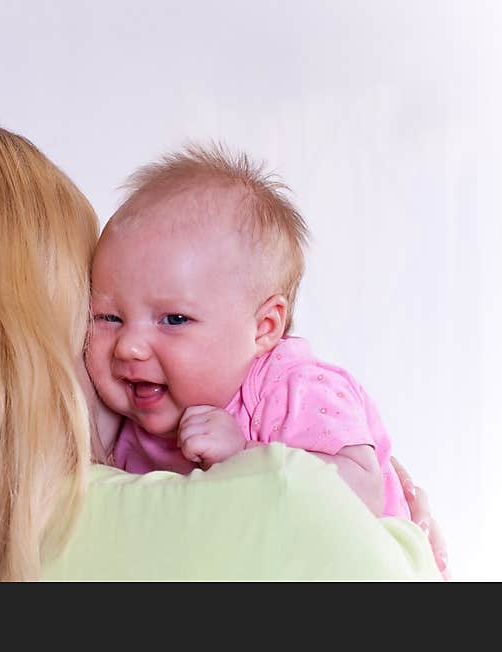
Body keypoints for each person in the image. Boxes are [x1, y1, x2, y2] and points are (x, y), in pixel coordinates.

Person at [0, 113, 443, 581]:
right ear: (38, 328)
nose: (127, 351)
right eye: (101, 313)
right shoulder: (277, 502)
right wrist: (405, 548)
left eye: (168, 318)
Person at [86, 145, 407, 518]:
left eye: (173, 319)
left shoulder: (291, 388)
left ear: (264, 328)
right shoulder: (121, 418)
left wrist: (244, 456)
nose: (129, 347)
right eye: (109, 317)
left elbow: (361, 490)